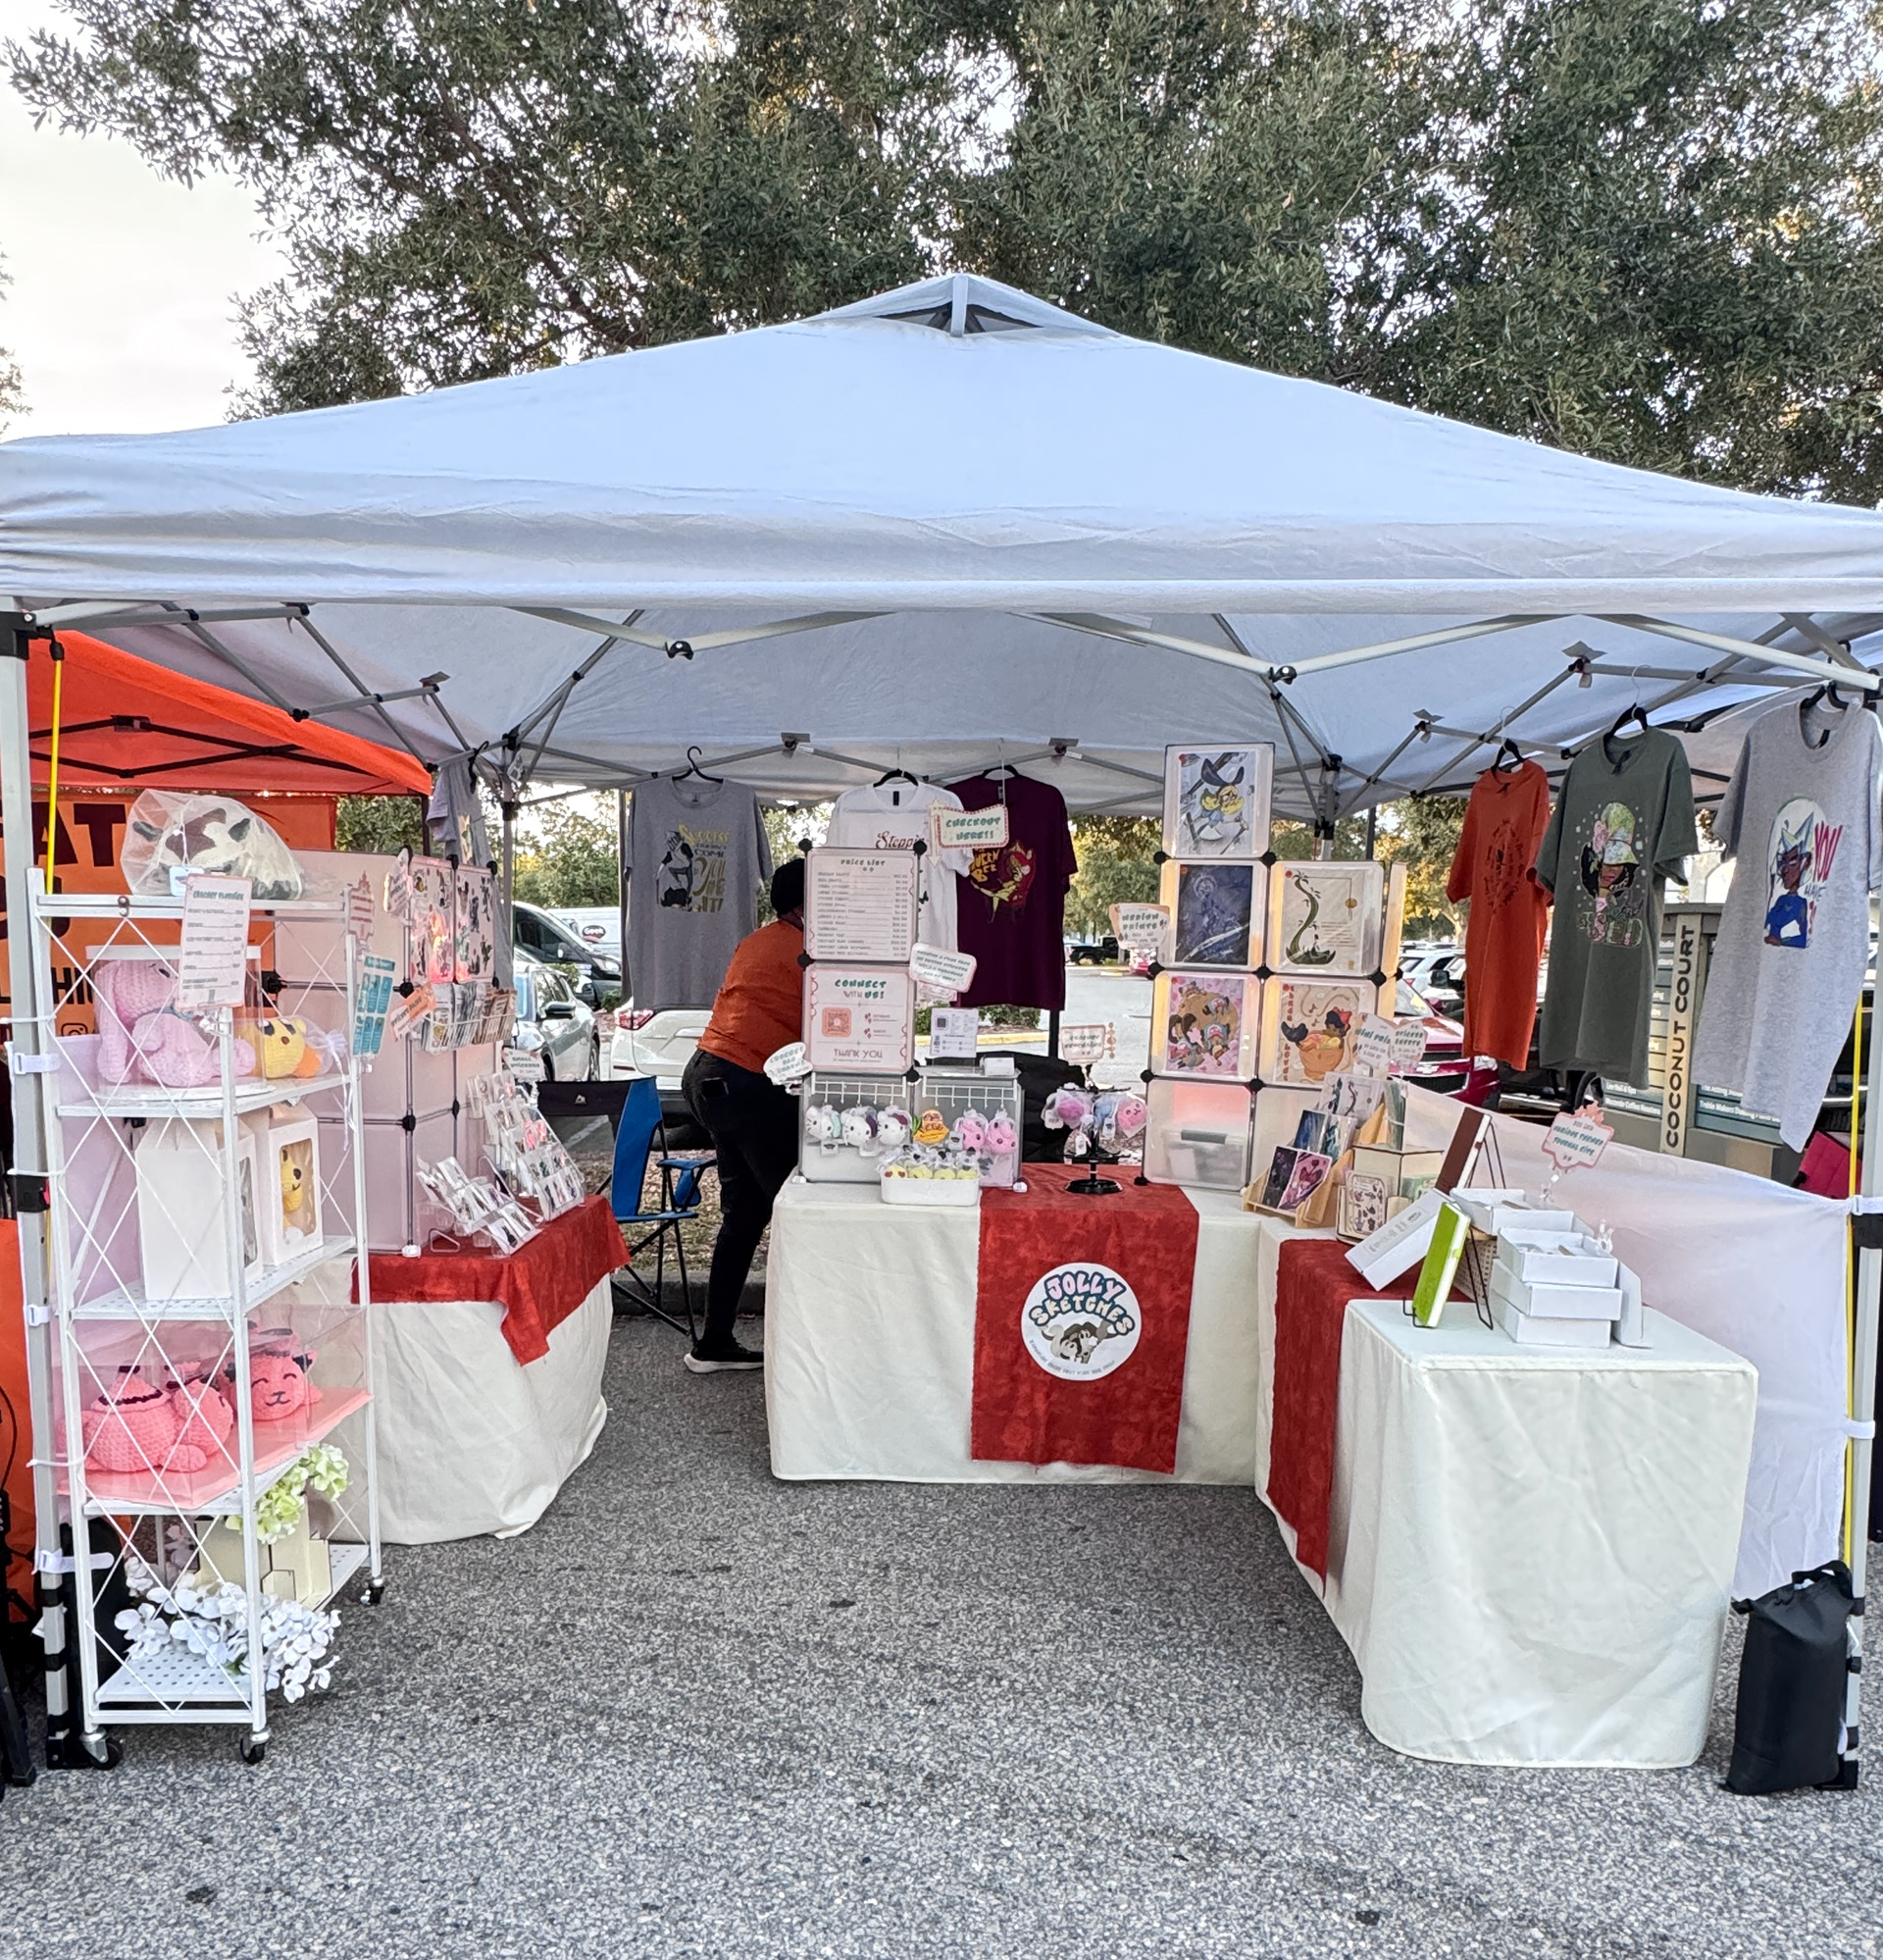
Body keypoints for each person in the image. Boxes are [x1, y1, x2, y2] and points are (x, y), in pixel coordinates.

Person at [678, 855, 806, 1372]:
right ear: (807, 905)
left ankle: (715, 1343)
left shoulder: (757, 941)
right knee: (798, 1210)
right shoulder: (807, 953)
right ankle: (805, 1345)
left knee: (746, 1213)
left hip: (708, 1074)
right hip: (746, 1081)